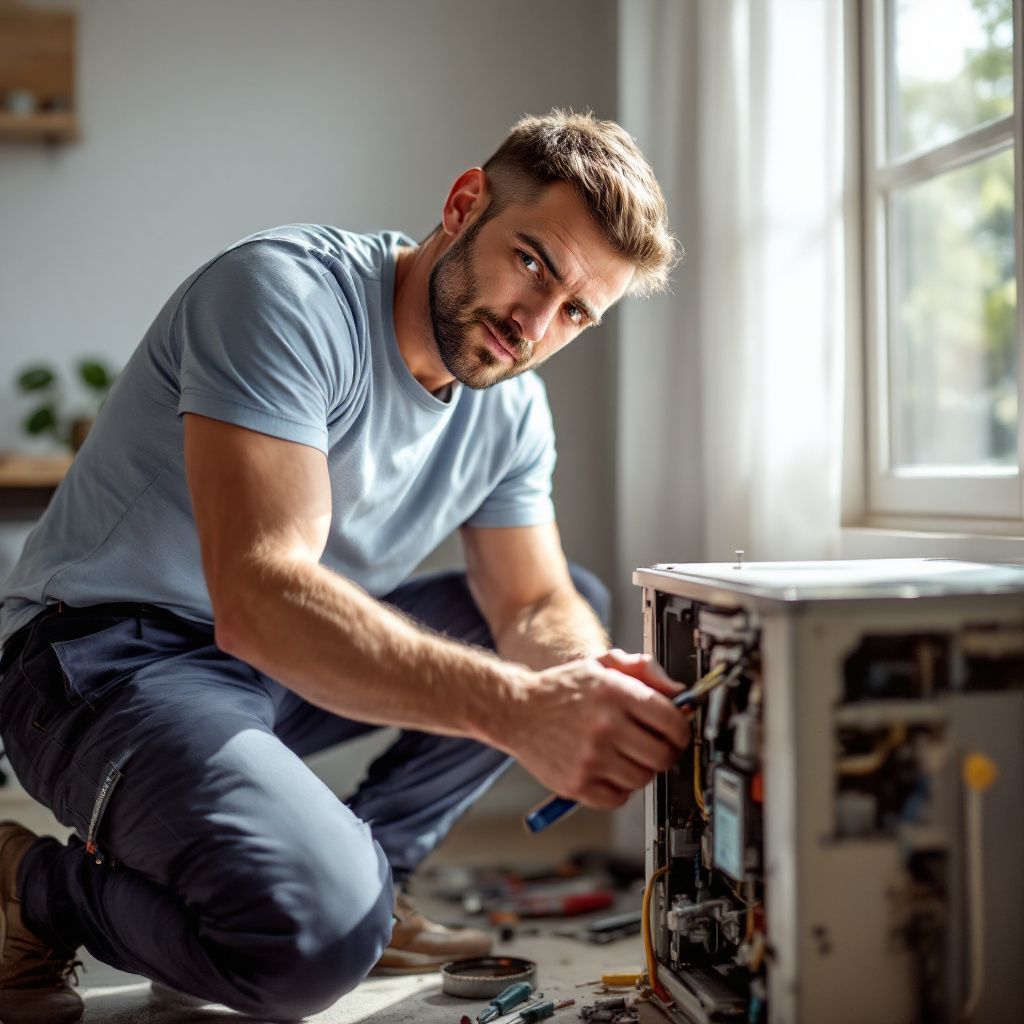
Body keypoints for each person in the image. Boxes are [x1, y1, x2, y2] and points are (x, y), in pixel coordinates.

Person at [0, 109, 688, 1023]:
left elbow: (532, 602)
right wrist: (523, 710)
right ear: (464, 202)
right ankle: (26, 886)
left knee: (573, 618)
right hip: (101, 660)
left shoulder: (510, 411)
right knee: (311, 943)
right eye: (533, 264)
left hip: (260, 669)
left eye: (575, 312)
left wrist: (579, 685)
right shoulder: (283, 295)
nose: (535, 325)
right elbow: (261, 594)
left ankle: (378, 880)